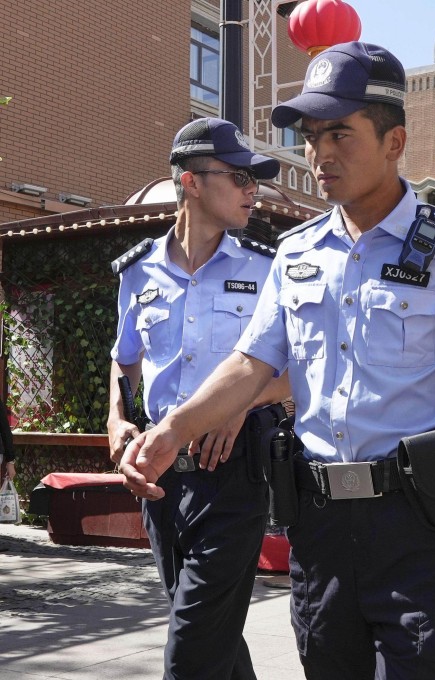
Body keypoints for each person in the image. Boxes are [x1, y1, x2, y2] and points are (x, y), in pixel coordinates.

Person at [119, 42, 435, 678]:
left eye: (340, 133)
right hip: (319, 523)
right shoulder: (296, 252)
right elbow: (251, 365)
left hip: (416, 519)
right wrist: (170, 432)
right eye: (310, 136)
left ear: (394, 142)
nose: (319, 153)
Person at [106, 117, 290, 679]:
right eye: (239, 178)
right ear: (191, 181)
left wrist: (238, 404)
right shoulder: (138, 271)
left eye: (252, 180)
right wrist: (116, 420)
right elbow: (124, 357)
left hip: (234, 473)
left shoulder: (268, 268)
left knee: (190, 649)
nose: (250, 190)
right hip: (160, 478)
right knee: (216, 638)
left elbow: (303, 371)